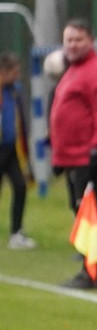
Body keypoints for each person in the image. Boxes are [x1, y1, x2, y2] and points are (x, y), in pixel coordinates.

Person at [49, 19, 97, 289]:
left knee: (91, 213)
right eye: (68, 40)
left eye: (78, 40)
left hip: (88, 155)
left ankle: (91, 273)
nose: (73, 45)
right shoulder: (73, 71)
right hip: (72, 156)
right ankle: (88, 268)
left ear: (91, 41)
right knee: (80, 211)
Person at [0, 52, 35, 249]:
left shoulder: (14, 91)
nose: (18, 76)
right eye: (15, 72)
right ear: (3, 72)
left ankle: (16, 233)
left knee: (20, 186)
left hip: (12, 149)